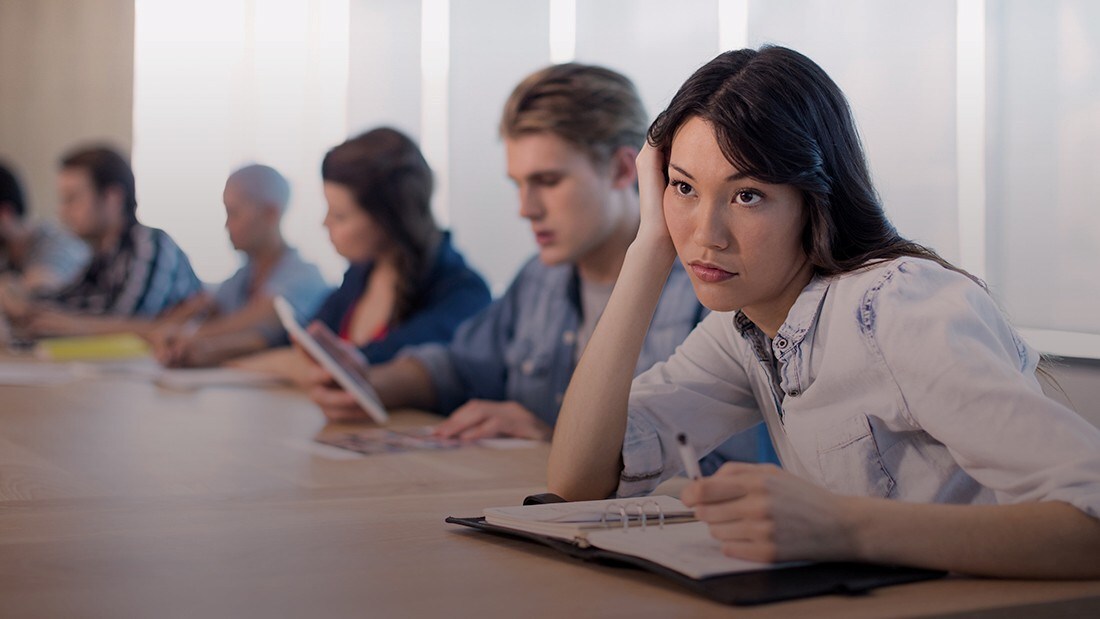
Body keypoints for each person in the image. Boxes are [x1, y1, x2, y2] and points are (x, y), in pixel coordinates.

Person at [546, 46, 1100, 579]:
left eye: (747, 195)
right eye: (684, 187)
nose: (706, 235)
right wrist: (648, 247)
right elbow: (579, 480)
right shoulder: (745, 327)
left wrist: (845, 528)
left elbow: (1091, 520)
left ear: (815, 200)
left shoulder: (897, 305)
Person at [307, 63, 774, 467]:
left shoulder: (712, 286)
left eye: (547, 181)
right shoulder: (540, 278)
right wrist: (371, 384)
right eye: (518, 185)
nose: (526, 209)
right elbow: (460, 367)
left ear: (621, 169)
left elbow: (732, 472)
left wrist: (559, 442)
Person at [233, 128, 491, 381]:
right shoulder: (360, 276)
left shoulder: (463, 294)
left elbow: (363, 365)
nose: (324, 223)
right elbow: (302, 342)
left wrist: (286, 362)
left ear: (389, 219)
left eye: (339, 215)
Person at [6, 145, 202, 337]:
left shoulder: (149, 244)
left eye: (72, 199)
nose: (62, 211)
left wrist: (74, 325)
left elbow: (132, 322)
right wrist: (24, 303)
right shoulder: (103, 255)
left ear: (112, 198)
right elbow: (67, 302)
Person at [150, 164, 330, 367]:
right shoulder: (242, 276)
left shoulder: (304, 277)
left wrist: (186, 335)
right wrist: (175, 328)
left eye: (233, 213)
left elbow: (260, 322)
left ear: (270, 213)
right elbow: (208, 309)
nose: (226, 225)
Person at [0, 160, 90, 296]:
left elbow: (40, 292)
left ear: (5, 213)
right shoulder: (6, 252)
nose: (62, 211)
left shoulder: (57, 244)